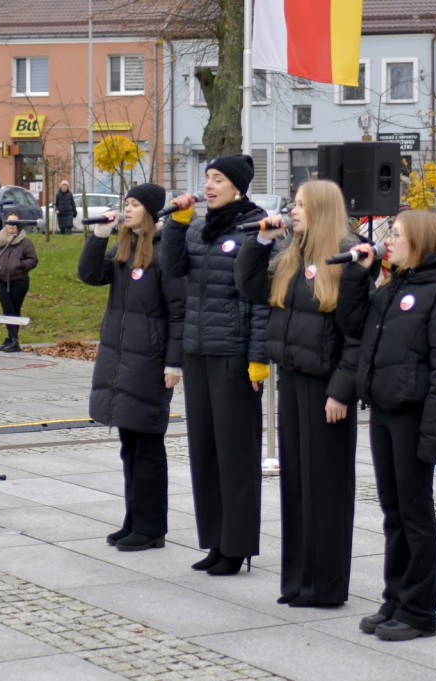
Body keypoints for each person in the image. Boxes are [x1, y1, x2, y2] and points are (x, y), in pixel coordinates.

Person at [337, 209, 436, 642]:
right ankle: (394, 597)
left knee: (415, 515)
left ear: (422, 242)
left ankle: (419, 610)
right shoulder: (395, 285)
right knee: (393, 513)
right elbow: (353, 324)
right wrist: (358, 275)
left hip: (413, 418)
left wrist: (434, 438)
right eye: (389, 233)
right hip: (384, 411)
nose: (388, 241)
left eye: (397, 234)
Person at [235, 179, 359, 606]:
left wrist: (342, 391)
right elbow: (250, 289)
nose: (292, 209)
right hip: (292, 377)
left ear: (322, 209)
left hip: (327, 388)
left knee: (325, 488)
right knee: (297, 486)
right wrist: (260, 243)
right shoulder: (292, 252)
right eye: (293, 203)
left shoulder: (346, 254)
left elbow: (357, 336)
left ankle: (324, 585)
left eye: (301, 204)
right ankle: (298, 581)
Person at [161, 154, 268, 576]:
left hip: (234, 354)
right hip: (199, 350)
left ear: (238, 187)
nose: (208, 185)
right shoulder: (200, 227)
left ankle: (238, 545)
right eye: (206, 178)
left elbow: (259, 300)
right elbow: (172, 270)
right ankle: (215, 540)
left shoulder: (256, 228)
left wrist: (258, 358)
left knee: (236, 454)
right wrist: (176, 225)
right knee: (204, 451)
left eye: (218, 179)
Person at [78, 183, 185, 551]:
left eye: (135, 204)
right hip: (121, 358)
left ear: (152, 212)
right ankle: (134, 520)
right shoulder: (123, 248)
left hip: (151, 362)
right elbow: (89, 276)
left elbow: (178, 312)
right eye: (126, 203)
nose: (127, 208)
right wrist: (98, 235)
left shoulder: (165, 250)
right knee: (129, 443)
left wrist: (174, 361)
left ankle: (152, 527)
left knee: (147, 445)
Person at [0, 212, 38, 353]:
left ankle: (12, 339)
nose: (12, 225)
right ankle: (12, 338)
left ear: (18, 225)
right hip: (0, 280)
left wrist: (19, 265)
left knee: (14, 310)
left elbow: (33, 260)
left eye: (15, 223)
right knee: (7, 309)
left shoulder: (25, 242)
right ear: (6, 224)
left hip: (18, 281)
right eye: (9, 222)